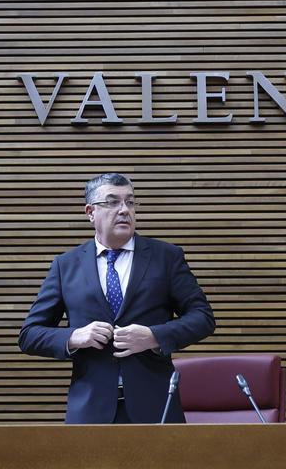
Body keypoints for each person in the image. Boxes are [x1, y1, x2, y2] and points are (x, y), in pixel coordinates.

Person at [19, 173, 215, 423]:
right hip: (90, 410)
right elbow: (29, 335)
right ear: (90, 212)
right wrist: (74, 336)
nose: (124, 210)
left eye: (130, 202)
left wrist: (154, 336)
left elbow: (202, 318)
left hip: (156, 407)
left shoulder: (166, 257)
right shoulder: (65, 265)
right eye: (112, 202)